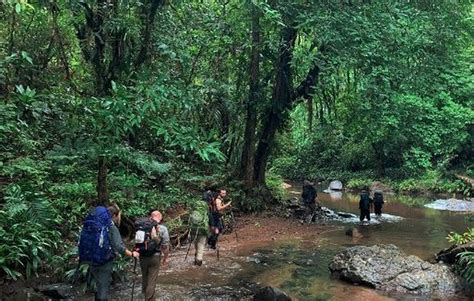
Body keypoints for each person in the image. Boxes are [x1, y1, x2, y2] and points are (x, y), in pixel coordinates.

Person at [88, 204, 139, 301]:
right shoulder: (111, 227)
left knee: (97, 286)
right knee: (103, 288)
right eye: (118, 216)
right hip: (104, 261)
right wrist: (132, 254)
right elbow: (119, 246)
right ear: (114, 215)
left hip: (91, 259)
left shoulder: (94, 224)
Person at [138, 210, 170, 301]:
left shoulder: (142, 226)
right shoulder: (162, 228)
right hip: (155, 257)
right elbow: (165, 245)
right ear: (160, 217)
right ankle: (148, 299)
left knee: (145, 277)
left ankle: (146, 296)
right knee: (152, 280)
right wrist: (165, 258)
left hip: (142, 256)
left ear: (151, 217)